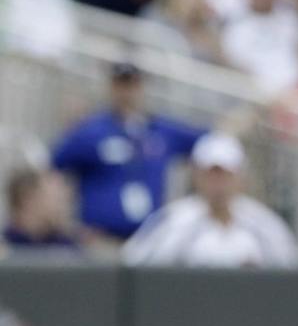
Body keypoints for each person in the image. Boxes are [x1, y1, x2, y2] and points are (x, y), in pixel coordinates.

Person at [46, 62, 206, 240]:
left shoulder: (161, 129)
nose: (127, 92)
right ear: (111, 88)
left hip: (148, 240)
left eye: (132, 85)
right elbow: (54, 167)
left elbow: (209, 142)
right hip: (101, 238)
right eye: (121, 85)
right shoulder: (91, 131)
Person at [121, 133, 298, 268]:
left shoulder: (264, 224)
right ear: (196, 176)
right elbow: (135, 266)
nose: (218, 183)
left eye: (225, 175)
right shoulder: (173, 221)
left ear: (240, 177)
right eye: (211, 174)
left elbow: (291, 270)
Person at [3, 167, 80, 254]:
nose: (63, 206)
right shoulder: (6, 247)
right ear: (28, 199)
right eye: (56, 198)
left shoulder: (67, 247)